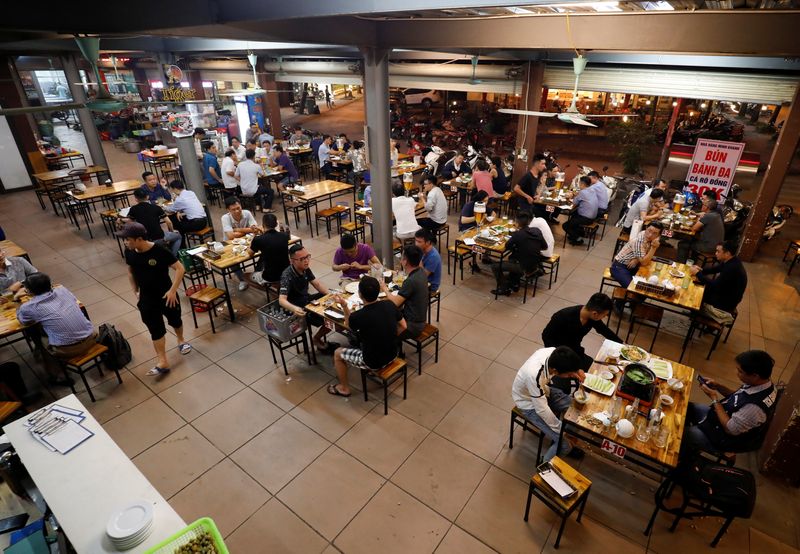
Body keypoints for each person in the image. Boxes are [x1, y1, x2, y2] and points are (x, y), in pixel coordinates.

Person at [119, 223, 190, 376]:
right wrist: (135, 291)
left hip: (166, 295)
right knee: (155, 329)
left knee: (175, 320)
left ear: (139, 239)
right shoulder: (130, 252)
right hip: (147, 298)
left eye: (127, 239)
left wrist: (172, 291)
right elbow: (131, 271)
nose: (125, 242)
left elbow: (180, 268)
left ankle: (181, 340)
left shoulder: (160, 251)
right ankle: (163, 361)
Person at [684, 350, 777, 456]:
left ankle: (680, 460)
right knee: (688, 407)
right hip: (719, 419)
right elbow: (738, 398)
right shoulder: (764, 384)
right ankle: (689, 447)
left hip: (723, 438)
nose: (737, 374)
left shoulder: (754, 408)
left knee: (681, 434)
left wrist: (714, 399)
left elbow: (730, 428)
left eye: (740, 371)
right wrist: (718, 386)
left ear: (755, 375)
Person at [329, 276, 406, 397]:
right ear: (378, 291)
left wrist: (344, 305)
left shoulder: (359, 316)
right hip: (393, 353)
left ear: (360, 294)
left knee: (338, 354)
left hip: (373, 362)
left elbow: (348, 325)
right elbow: (403, 326)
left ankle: (344, 388)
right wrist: (389, 337)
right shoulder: (389, 304)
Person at [15, 273, 95, 385]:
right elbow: (74, 300)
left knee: (39, 340)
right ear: (50, 284)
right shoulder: (62, 290)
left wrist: (16, 298)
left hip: (67, 350)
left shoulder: (30, 307)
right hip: (91, 337)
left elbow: (23, 321)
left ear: (28, 291)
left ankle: (59, 376)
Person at [512, 345, 586, 461]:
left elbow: (568, 360)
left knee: (577, 410)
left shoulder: (553, 353)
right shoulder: (534, 375)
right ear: (556, 371)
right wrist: (562, 431)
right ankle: (543, 467)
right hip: (528, 403)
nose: (571, 376)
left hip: (543, 391)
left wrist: (577, 371)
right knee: (564, 444)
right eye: (569, 374)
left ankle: (564, 441)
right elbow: (542, 410)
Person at [542, 293, 623, 369]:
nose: (604, 317)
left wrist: (622, 345)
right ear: (595, 313)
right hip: (559, 354)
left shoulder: (592, 318)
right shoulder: (562, 316)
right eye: (604, 315)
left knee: (594, 367)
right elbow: (546, 335)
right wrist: (556, 356)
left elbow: (604, 330)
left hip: (575, 351)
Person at [278, 244, 334, 352]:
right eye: (302, 259)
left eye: (308, 257)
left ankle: (319, 336)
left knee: (330, 302)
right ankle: (316, 339)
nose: (306, 261)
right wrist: (295, 309)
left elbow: (316, 284)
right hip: (298, 309)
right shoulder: (287, 275)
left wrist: (331, 295)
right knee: (330, 319)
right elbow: (282, 300)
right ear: (292, 261)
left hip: (307, 300)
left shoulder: (305, 268)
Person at [689, 240, 747, 325]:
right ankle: (694, 315)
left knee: (695, 294)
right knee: (700, 286)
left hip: (726, 302)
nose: (715, 253)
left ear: (727, 253)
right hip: (725, 294)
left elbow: (714, 285)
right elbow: (715, 269)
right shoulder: (732, 260)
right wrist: (701, 270)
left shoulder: (732, 268)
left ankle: (697, 316)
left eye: (718, 251)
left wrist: (698, 274)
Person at [491, 211, 547, 296]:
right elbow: (544, 246)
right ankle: (514, 283)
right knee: (513, 258)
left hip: (524, 266)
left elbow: (507, 246)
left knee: (495, 266)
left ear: (517, 222)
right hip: (536, 263)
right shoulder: (537, 231)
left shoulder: (518, 234)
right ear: (529, 221)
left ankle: (504, 288)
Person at [382, 245, 428, 340]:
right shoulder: (421, 272)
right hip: (419, 319)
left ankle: (391, 350)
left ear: (405, 261)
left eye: (402, 257)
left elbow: (395, 303)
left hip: (412, 326)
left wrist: (384, 288)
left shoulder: (411, 281)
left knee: (380, 326)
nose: (401, 259)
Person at [221, 196, 262, 291]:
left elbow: (255, 229)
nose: (236, 211)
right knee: (231, 261)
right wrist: (248, 230)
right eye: (233, 209)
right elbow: (230, 236)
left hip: (247, 241)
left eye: (238, 208)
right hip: (230, 244)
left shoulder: (247, 213)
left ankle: (256, 274)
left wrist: (237, 230)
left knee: (264, 252)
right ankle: (242, 279)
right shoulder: (225, 218)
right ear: (228, 210)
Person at [127, 188, 182, 257]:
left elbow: (130, 223)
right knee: (178, 236)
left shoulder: (133, 209)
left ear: (136, 199)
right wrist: (172, 230)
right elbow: (168, 222)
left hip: (145, 240)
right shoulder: (156, 207)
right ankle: (172, 257)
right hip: (159, 237)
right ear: (148, 197)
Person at [610, 221, 663, 290]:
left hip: (633, 267)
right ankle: (619, 300)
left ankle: (624, 299)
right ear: (646, 228)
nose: (650, 235)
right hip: (619, 267)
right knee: (634, 289)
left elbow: (644, 255)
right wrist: (654, 248)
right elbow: (644, 262)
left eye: (654, 233)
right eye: (649, 231)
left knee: (649, 286)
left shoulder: (647, 236)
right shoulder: (639, 240)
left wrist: (637, 259)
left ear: (658, 236)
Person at [677, 196, 725, 263]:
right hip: (716, 245)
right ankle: (693, 260)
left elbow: (694, 228)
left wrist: (698, 219)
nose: (702, 205)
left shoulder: (708, 216)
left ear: (707, 207)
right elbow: (703, 214)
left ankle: (681, 264)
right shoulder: (716, 214)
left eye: (703, 204)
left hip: (709, 247)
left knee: (683, 244)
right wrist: (697, 214)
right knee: (691, 239)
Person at [247, 213, 290, 284]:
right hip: (287, 273)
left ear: (263, 225)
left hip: (270, 277)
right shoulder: (284, 236)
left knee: (249, 276)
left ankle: (265, 283)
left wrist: (254, 235)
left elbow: (250, 253)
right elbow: (272, 240)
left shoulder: (258, 239)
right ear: (276, 224)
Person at [563, 176, 600, 246]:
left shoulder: (582, 192)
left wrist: (571, 197)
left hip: (586, 218)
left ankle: (578, 239)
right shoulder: (592, 190)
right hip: (594, 217)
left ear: (582, 184)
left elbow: (574, 204)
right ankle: (578, 233)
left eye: (579, 183)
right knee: (574, 216)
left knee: (565, 225)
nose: (579, 185)